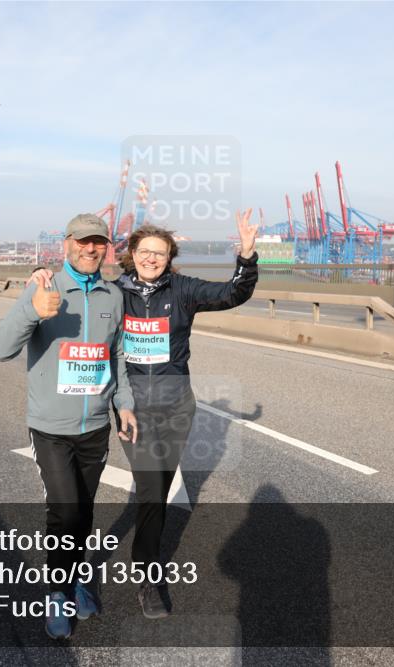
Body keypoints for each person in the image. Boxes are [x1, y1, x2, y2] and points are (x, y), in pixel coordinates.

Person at [31, 210, 259, 618]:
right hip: (133, 404)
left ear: (169, 258)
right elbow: (78, 288)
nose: (152, 259)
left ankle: (143, 565)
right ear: (131, 253)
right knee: (152, 490)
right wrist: (39, 274)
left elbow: (233, 294)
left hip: (175, 404)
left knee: (156, 493)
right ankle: (148, 577)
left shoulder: (184, 290)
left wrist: (246, 253)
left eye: (160, 253)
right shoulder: (116, 292)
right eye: (145, 251)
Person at [0, 213, 138, 640]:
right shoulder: (43, 287)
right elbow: (1, 349)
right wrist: (31, 312)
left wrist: (123, 406)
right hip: (50, 427)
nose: (91, 249)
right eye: (83, 242)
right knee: (65, 510)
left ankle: (75, 580)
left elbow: (118, 358)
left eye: (99, 243)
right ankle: (57, 592)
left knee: (85, 512)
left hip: (94, 426)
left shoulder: (113, 296)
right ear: (66, 244)